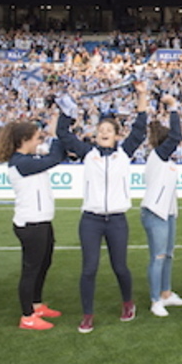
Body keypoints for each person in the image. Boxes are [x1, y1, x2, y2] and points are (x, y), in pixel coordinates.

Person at [57, 82, 148, 333]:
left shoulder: (124, 153)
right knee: (89, 268)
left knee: (120, 267)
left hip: (117, 220)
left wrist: (141, 95)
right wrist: (69, 108)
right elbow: (63, 134)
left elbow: (140, 129)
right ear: (96, 134)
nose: (104, 132)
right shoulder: (87, 153)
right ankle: (87, 315)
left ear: (116, 135)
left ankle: (128, 302)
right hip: (91, 220)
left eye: (109, 129)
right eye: (101, 129)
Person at [0, 114, 66, 330]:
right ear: (24, 141)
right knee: (31, 269)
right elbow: (54, 158)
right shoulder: (20, 163)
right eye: (37, 138)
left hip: (42, 221)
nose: (40, 142)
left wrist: (58, 130)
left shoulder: (30, 159)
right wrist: (56, 135)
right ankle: (27, 316)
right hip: (30, 223)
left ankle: (36, 305)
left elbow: (58, 154)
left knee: (43, 264)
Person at [140, 94, 182, 318]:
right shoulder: (158, 156)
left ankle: (166, 293)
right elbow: (177, 134)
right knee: (158, 256)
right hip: (155, 213)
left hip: (168, 213)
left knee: (168, 255)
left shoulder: (166, 161)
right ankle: (155, 299)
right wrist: (173, 108)